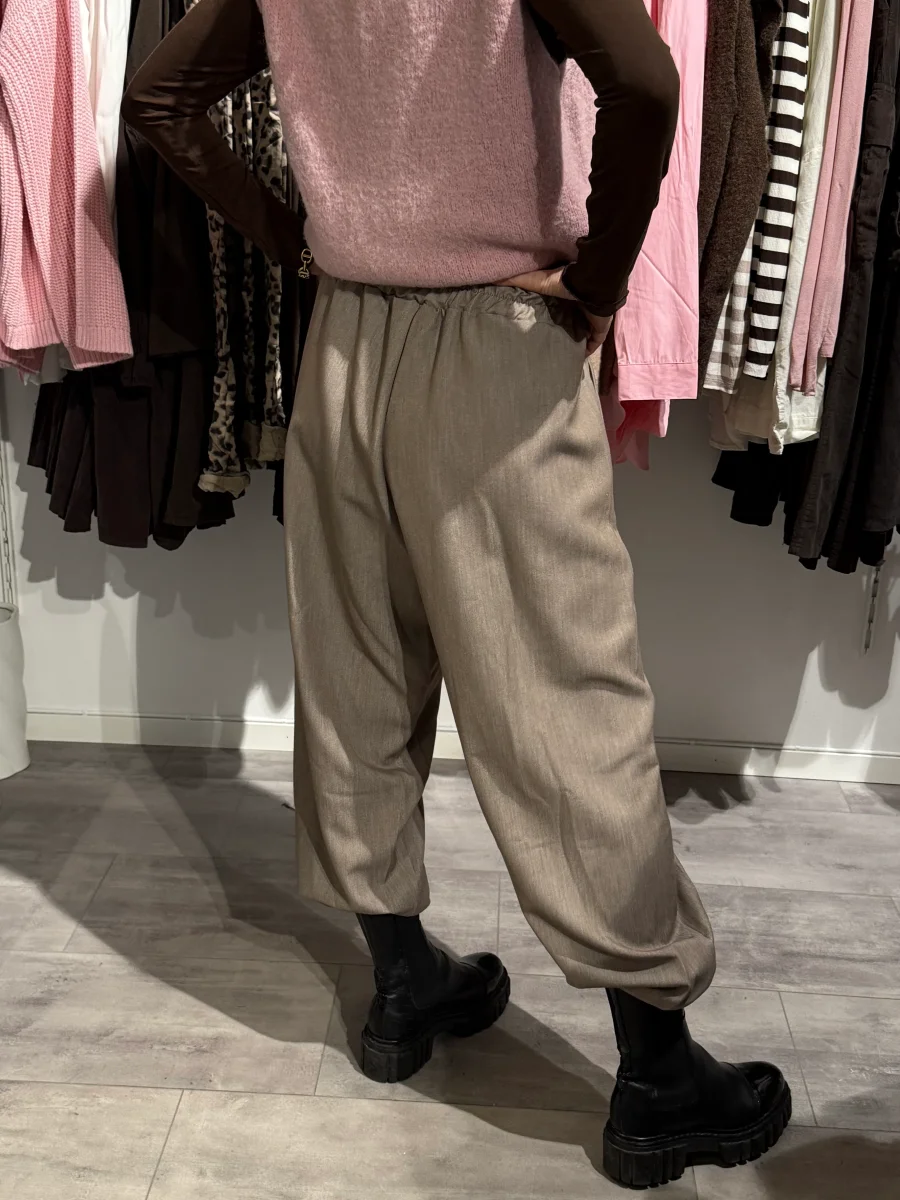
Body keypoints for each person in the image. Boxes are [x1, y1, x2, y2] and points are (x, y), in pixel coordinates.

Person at [124, 0, 790, 1188]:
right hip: (499, 339)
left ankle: (400, 987)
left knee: (356, 671)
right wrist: (599, 282)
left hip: (345, 342)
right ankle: (656, 1075)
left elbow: (159, 97)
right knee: (565, 703)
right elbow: (645, 83)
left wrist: (294, 237)